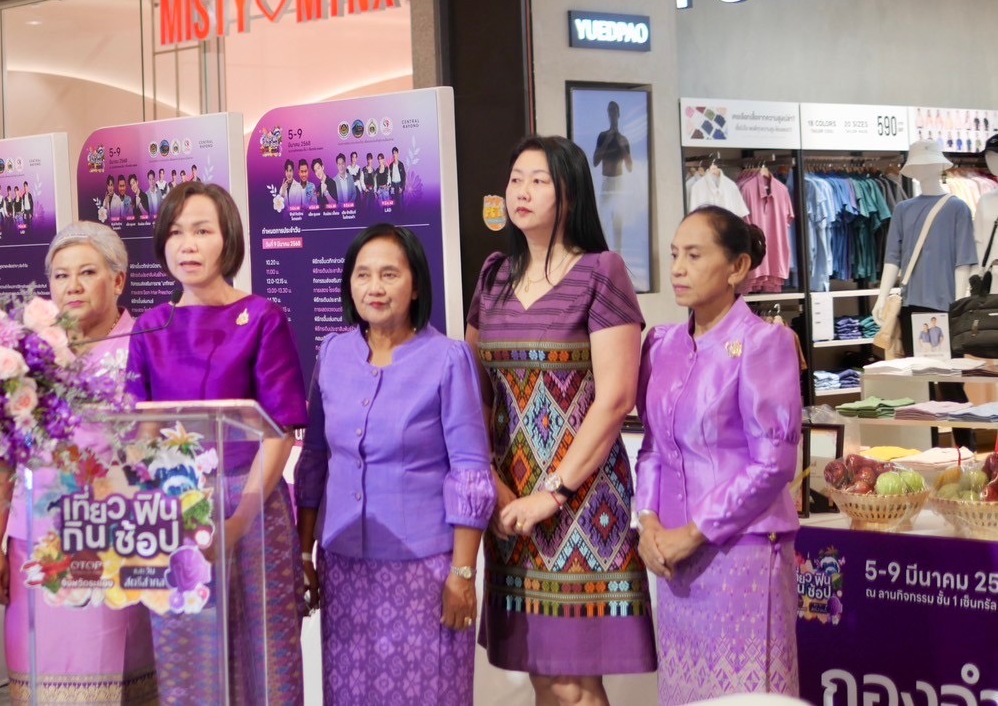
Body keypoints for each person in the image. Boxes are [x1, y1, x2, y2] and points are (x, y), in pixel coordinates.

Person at [467, 135, 655, 702]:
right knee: (542, 671)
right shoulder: (494, 275)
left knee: (573, 680)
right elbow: (472, 390)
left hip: (582, 499)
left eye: (538, 181)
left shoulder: (602, 271)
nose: (521, 192)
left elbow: (616, 399)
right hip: (510, 504)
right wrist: (499, 489)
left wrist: (552, 492)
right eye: (516, 178)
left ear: (569, 193)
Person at [296, 224, 493, 705]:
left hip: (424, 572)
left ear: (417, 284)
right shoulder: (333, 351)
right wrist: (304, 554)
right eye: (362, 275)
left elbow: (470, 471)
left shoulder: (448, 359)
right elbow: (315, 460)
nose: (374, 287)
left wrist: (463, 575)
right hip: (343, 566)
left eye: (389, 274)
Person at [126, 181, 307, 705]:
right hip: (175, 508)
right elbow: (139, 432)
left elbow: (279, 432)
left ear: (227, 240)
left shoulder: (263, 317)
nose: (188, 245)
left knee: (265, 656)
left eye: (202, 231)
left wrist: (238, 520)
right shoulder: (150, 325)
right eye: (176, 233)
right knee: (187, 657)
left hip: (251, 505)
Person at [0, 222, 157, 705]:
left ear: (118, 281)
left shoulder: (146, 346)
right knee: (42, 685)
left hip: (111, 543)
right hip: (32, 547)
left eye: (87, 272)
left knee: (106, 679)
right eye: (60, 276)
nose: (72, 286)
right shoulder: (28, 355)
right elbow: (1, 454)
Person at [635, 207, 801, 702]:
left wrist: (694, 532)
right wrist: (648, 525)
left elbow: (774, 463)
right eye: (674, 256)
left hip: (744, 555)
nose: (678, 269)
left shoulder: (764, 343)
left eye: (694, 255)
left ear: (737, 267)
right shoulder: (661, 344)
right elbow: (651, 448)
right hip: (673, 559)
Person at [593, 101, 633, 253]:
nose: (612, 114)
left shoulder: (623, 139)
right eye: (610, 111)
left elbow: (630, 167)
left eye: (615, 110)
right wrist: (607, 141)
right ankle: (602, 252)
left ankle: (618, 254)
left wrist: (622, 146)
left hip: (619, 182)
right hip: (606, 181)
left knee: (618, 221)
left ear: (618, 114)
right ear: (608, 114)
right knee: (602, 220)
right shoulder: (603, 136)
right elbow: (595, 161)